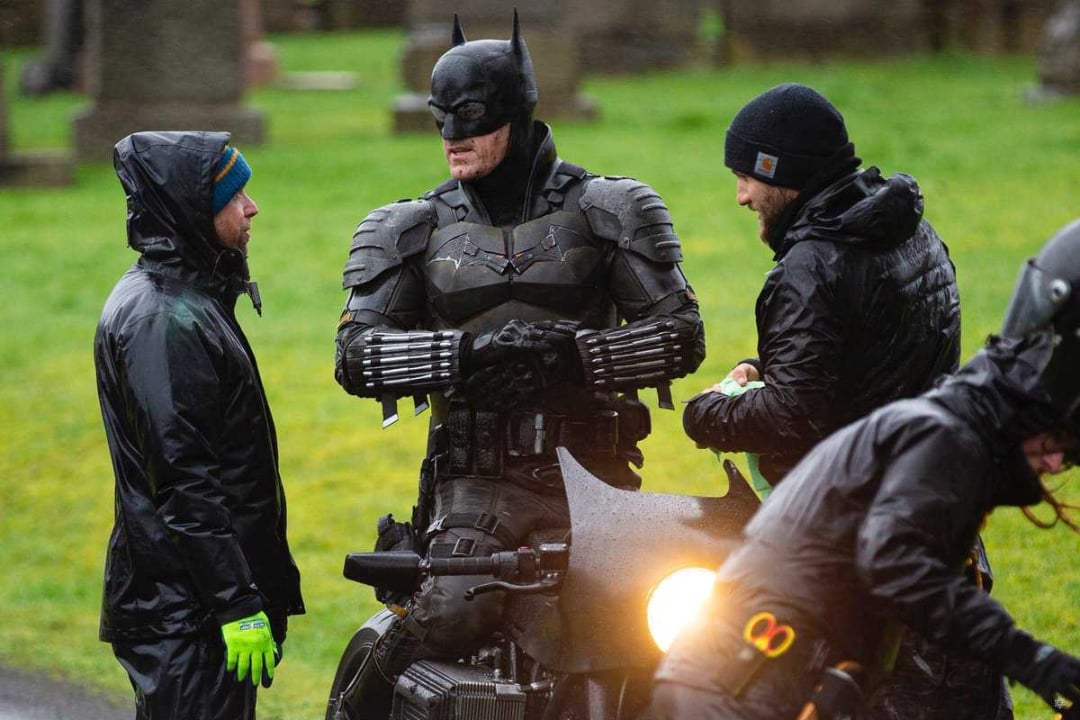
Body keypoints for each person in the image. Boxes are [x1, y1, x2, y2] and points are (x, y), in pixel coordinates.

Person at [333, 12, 705, 712]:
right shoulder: (409, 226)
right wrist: (464, 353)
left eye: (469, 117)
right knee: (448, 613)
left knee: (679, 632)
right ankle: (360, 703)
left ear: (517, 112)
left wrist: (581, 357)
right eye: (440, 117)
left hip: (597, 481)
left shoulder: (610, 209)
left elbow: (681, 333)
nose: (452, 136)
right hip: (473, 487)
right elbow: (356, 355)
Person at [652, 218, 1080, 719]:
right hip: (734, 693)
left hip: (772, 684)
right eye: (1054, 443)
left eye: (1071, 455)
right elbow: (896, 563)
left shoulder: (956, 436)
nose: (1055, 464)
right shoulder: (945, 439)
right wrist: (1034, 659)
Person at [94, 131, 304, 719]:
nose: (251, 206)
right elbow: (184, 481)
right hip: (186, 614)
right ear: (192, 208)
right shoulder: (164, 320)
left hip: (189, 604)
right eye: (235, 196)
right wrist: (236, 605)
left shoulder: (190, 296)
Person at [683, 82, 960, 489]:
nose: (741, 197)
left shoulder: (812, 266)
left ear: (783, 172)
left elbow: (789, 419)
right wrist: (766, 370)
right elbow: (875, 360)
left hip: (848, 513)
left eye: (746, 177)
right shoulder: (911, 232)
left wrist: (705, 411)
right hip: (928, 485)